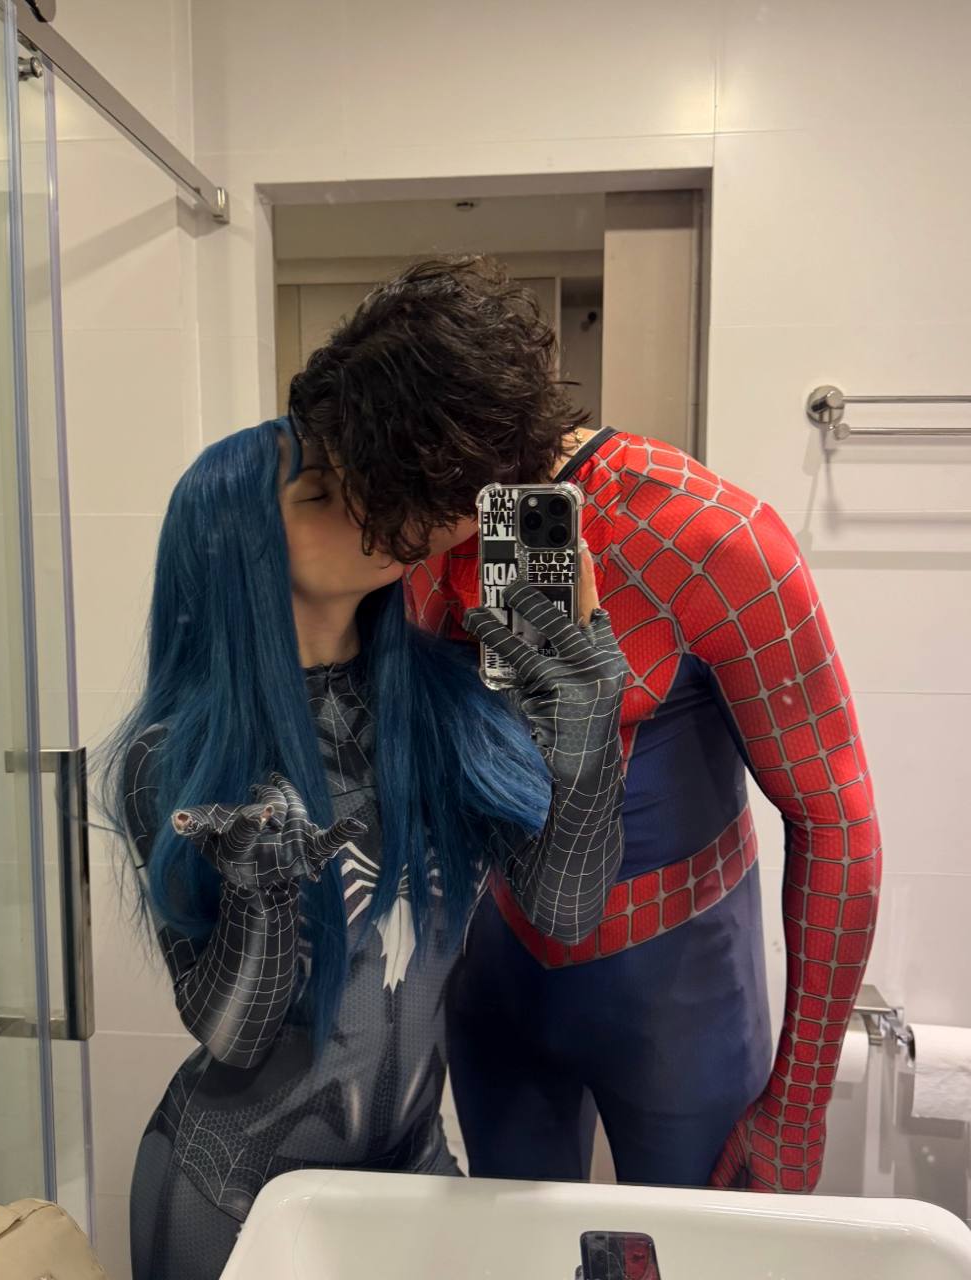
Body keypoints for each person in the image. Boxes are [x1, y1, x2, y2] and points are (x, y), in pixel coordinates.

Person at [288, 255, 882, 1194]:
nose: (372, 525)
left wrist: (800, 1105)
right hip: (496, 970)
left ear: (441, 462)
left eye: (383, 492)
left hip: (678, 986)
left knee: (690, 1253)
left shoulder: (714, 538)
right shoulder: (417, 547)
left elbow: (836, 818)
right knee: (514, 1251)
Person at [103, 415, 627, 1280]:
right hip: (230, 1194)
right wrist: (263, 900)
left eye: (364, 483)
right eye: (319, 493)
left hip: (413, 1167)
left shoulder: (449, 703)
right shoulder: (179, 755)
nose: (365, 508)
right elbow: (234, 1037)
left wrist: (591, 747)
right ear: (237, 547)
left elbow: (564, 912)